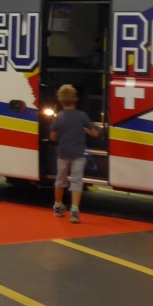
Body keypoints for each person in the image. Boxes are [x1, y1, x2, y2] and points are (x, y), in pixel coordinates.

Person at [49, 84, 100, 223]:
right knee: (77, 181)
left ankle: (58, 206)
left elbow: (53, 137)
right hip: (78, 153)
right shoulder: (82, 116)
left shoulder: (59, 117)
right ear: (76, 99)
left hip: (63, 152)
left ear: (60, 101)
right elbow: (95, 133)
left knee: (60, 180)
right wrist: (87, 131)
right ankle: (75, 211)